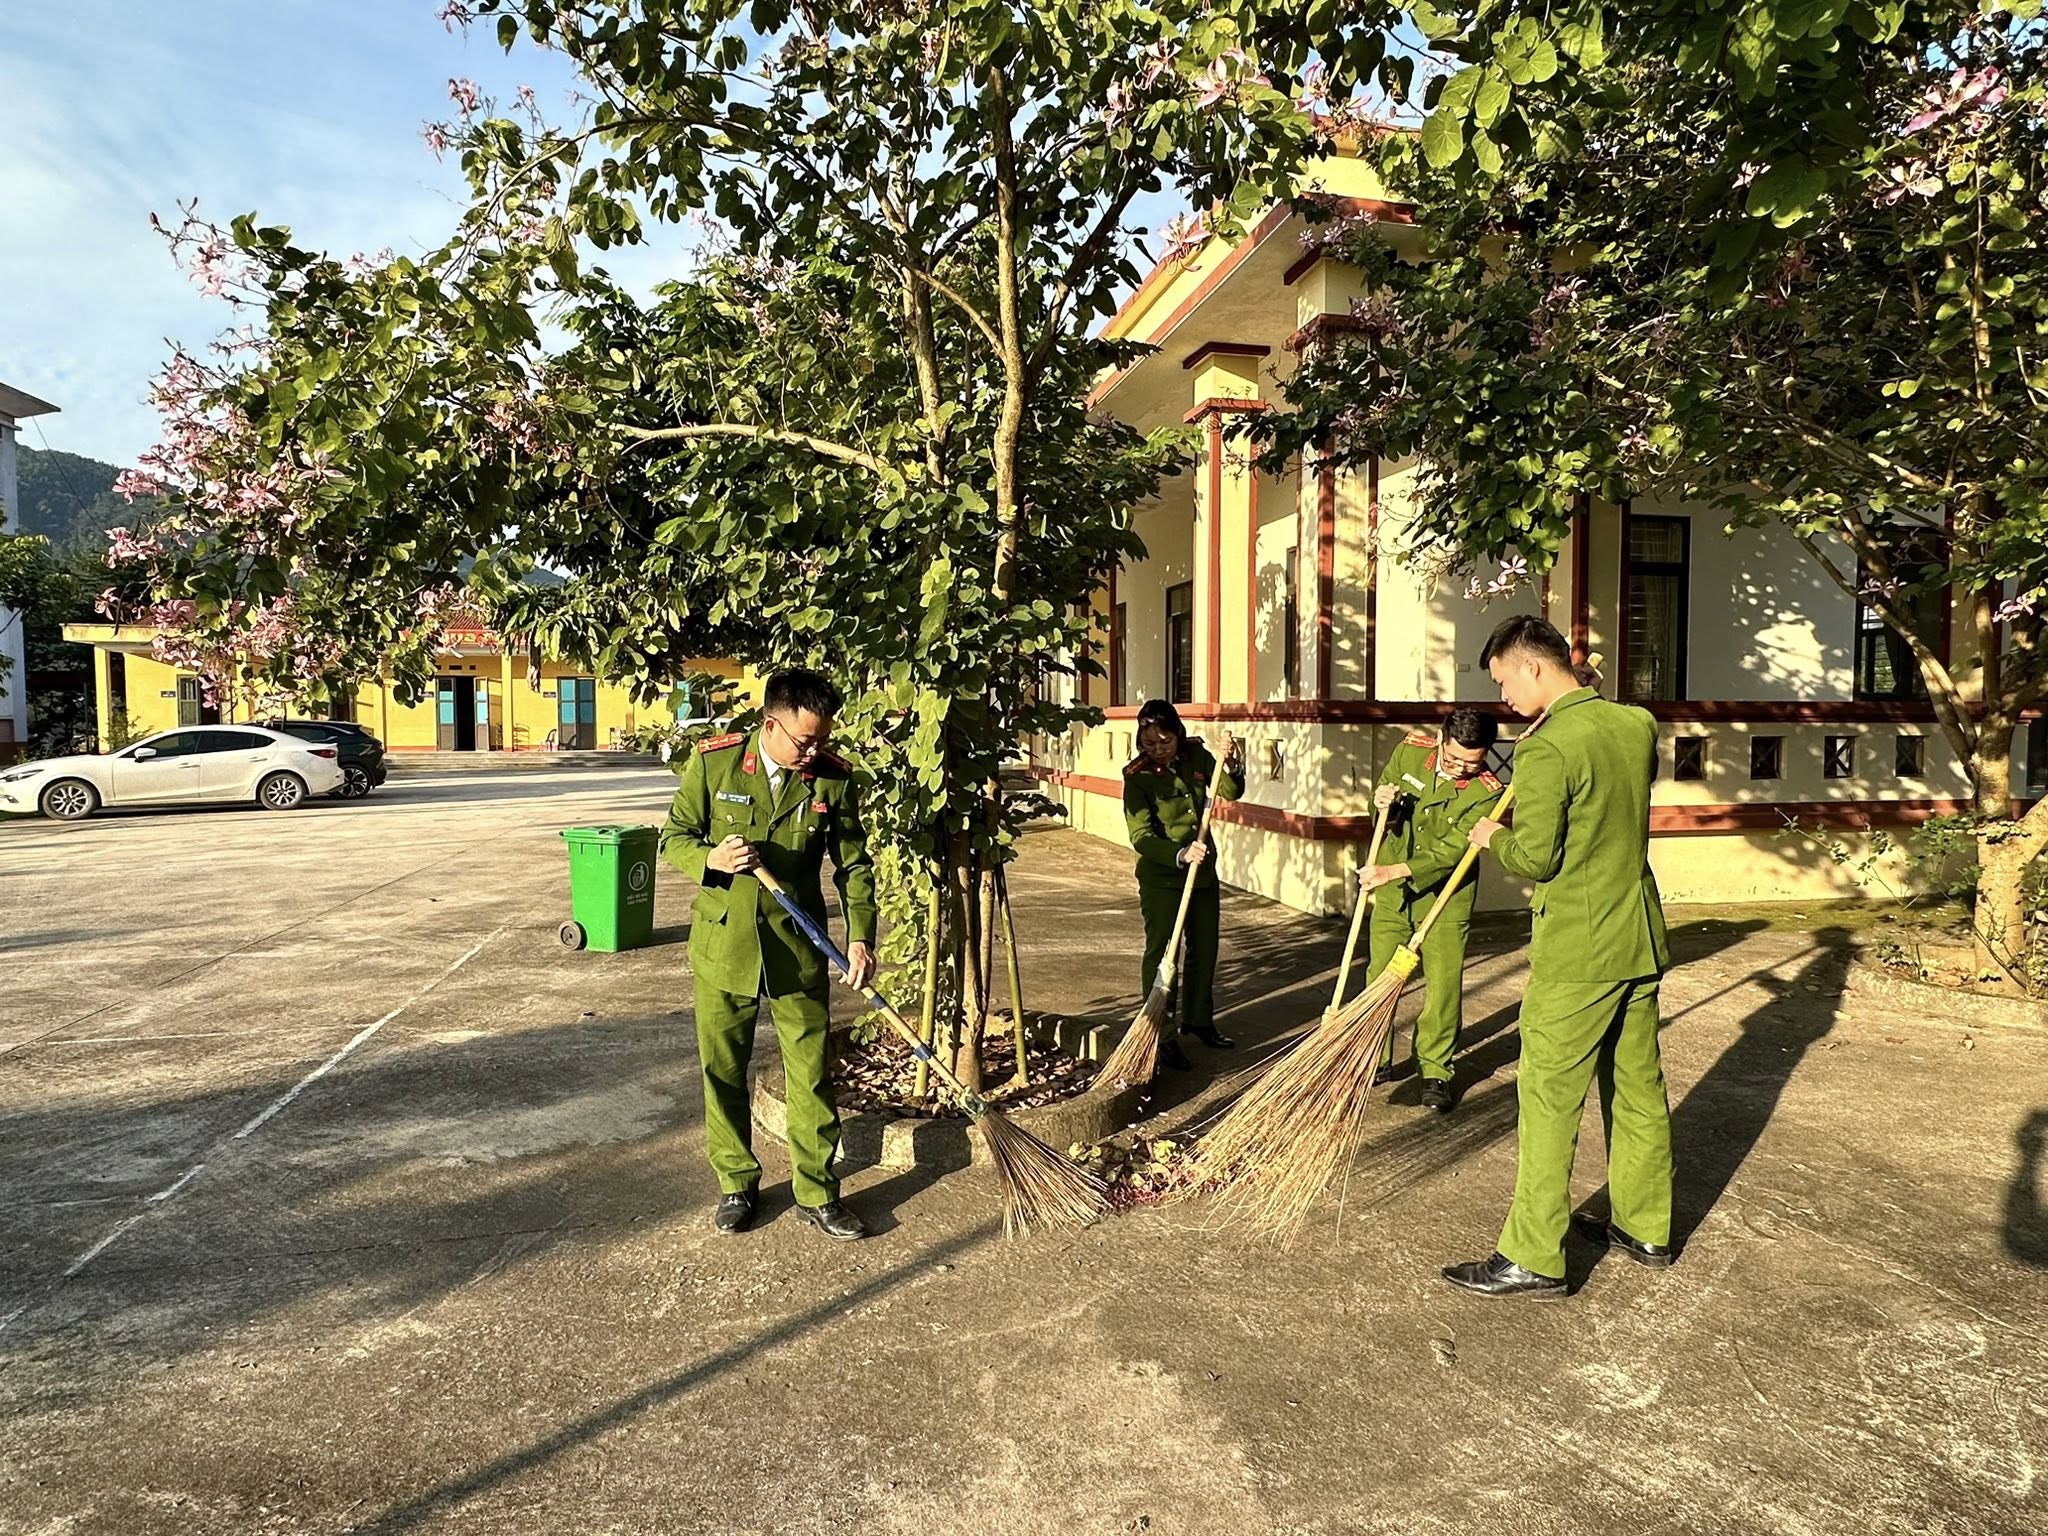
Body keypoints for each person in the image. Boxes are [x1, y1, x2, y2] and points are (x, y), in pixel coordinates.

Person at [1444, 615, 1674, 1299]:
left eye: (1504, 681)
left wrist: (1492, 836)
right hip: (1638, 934)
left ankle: (1533, 1256)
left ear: (1533, 667)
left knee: (1547, 1098)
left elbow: (1538, 855)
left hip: (1579, 946)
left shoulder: (1546, 749)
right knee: (1637, 1089)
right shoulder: (1635, 726)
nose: (1503, 699)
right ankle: (1646, 1225)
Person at [659, 668, 877, 1241]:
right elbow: (674, 837)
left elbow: (853, 866)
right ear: (769, 725)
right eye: (804, 741)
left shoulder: (831, 780)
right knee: (723, 1071)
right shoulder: (715, 764)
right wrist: (712, 858)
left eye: (822, 740)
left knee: (809, 1075)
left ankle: (818, 1192)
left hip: (797, 949)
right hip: (724, 946)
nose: (813, 751)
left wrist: (860, 936)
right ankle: (736, 1183)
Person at [1358, 707, 1501, 1114]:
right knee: (1380, 974)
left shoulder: (1488, 791)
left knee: (1442, 983)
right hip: (1393, 892)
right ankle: (1374, 1056)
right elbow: (1380, 808)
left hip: (1445, 896)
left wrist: (1393, 870)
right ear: (1440, 740)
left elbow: (1453, 850)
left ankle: (1436, 1068)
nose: (1461, 769)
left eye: (1473, 762)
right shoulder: (1409, 752)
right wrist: (1381, 801)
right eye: (1454, 759)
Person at [1122, 699, 1245, 1071]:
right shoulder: (1138, 777)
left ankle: (1199, 1020)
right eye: (1149, 744)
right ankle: (1162, 1034)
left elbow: (1229, 790)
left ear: (1179, 734)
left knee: (1204, 949)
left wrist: (1231, 759)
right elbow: (1141, 835)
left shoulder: (1196, 757)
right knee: (1164, 954)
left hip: (1203, 875)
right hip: (1164, 879)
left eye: (1165, 741)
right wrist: (1179, 853)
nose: (1158, 749)